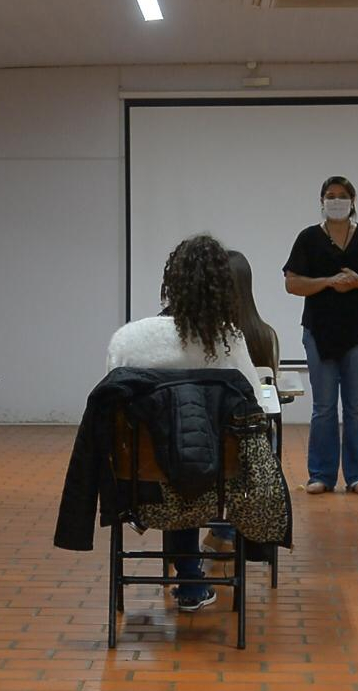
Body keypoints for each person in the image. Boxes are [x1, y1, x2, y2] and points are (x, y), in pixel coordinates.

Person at [106, 234, 260, 611]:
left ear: (169, 282)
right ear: (225, 288)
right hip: (213, 486)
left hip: (139, 487)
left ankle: (189, 576)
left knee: (172, 455)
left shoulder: (129, 340)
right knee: (200, 456)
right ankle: (217, 545)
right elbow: (255, 408)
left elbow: (111, 409)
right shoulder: (228, 341)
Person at [283, 176, 358, 495]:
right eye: (330, 196)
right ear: (321, 201)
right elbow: (292, 283)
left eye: (342, 196)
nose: (336, 201)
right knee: (324, 407)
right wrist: (328, 281)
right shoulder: (308, 238)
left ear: (353, 200)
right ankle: (321, 474)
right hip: (319, 332)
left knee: (356, 407)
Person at [205, 249, 281, 558]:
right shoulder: (265, 335)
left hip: (199, 445)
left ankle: (217, 533)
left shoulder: (200, 337)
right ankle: (230, 530)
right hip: (246, 446)